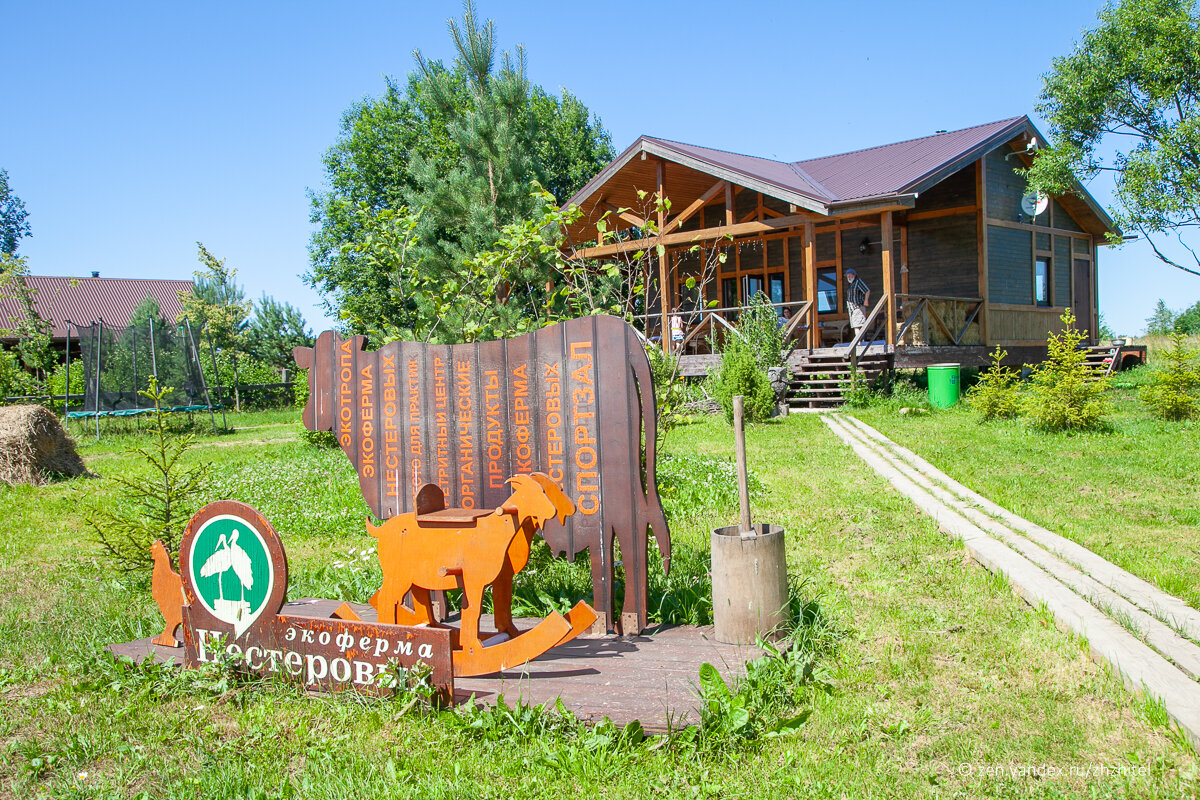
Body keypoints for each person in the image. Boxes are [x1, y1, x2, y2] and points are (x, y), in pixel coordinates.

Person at [845, 268, 871, 338]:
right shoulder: (851, 284)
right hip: (852, 309)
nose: (849, 277)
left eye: (850, 275)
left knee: (858, 325)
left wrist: (866, 300)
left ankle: (859, 342)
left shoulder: (858, 282)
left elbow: (867, 290)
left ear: (854, 275)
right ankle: (859, 341)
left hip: (858, 307)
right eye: (848, 276)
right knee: (856, 326)